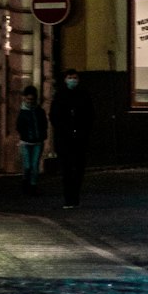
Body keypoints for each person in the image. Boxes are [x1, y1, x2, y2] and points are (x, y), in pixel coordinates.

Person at [50, 69, 94, 208]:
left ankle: (75, 197)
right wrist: (63, 129)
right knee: (67, 170)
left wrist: (83, 130)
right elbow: (54, 116)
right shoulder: (60, 95)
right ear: (65, 79)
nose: (72, 80)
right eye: (70, 77)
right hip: (65, 139)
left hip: (80, 139)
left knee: (78, 170)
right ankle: (69, 198)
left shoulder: (83, 94)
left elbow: (90, 114)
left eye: (74, 77)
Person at [15, 85, 48, 195]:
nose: (30, 101)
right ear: (24, 98)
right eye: (28, 99)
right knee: (27, 165)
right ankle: (26, 181)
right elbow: (19, 126)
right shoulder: (23, 112)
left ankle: (33, 185)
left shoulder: (39, 111)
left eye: (32, 99)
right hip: (25, 142)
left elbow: (44, 124)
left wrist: (42, 136)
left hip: (37, 142)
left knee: (34, 165)